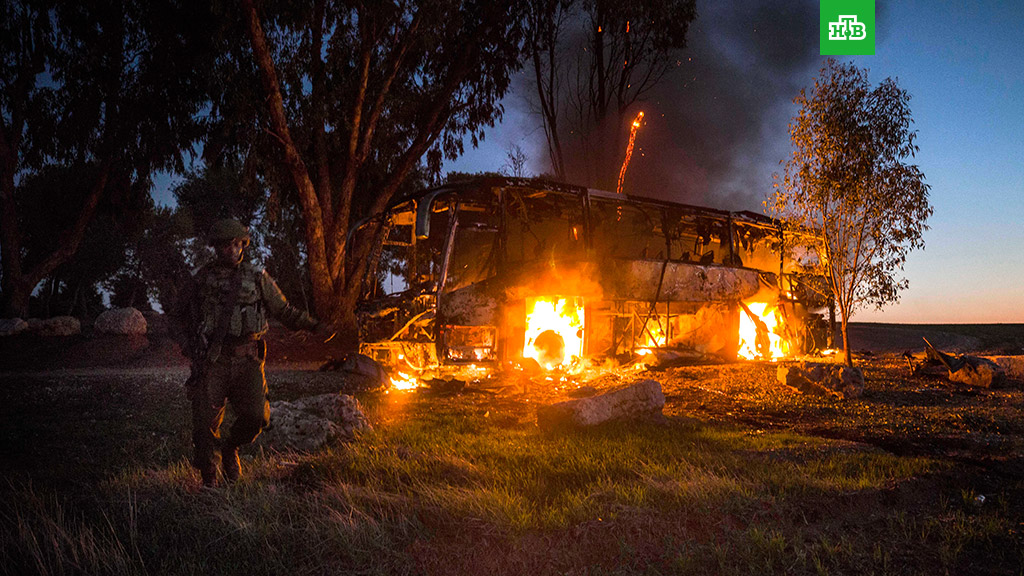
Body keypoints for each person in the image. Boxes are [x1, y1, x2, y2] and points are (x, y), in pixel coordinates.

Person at [172, 219, 330, 487]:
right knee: (204, 425)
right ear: (216, 248)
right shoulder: (202, 279)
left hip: (248, 360)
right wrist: (187, 345)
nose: (231, 249)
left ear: (243, 245)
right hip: (214, 360)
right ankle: (210, 481)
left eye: (236, 244)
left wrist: (315, 326)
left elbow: (284, 310)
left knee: (257, 417)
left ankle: (231, 446)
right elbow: (177, 314)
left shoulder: (257, 277)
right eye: (225, 245)